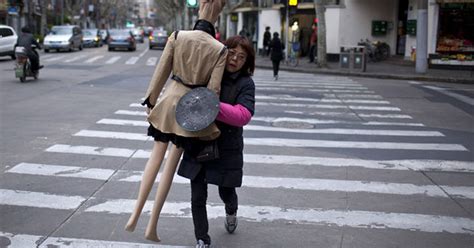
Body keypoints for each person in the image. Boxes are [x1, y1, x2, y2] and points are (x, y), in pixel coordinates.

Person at [125, 0, 228, 242]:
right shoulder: (220, 49)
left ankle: (134, 215)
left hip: (169, 99)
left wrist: (150, 101)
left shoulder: (178, 35)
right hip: (190, 109)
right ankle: (152, 226)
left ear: (199, 10)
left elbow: (160, 72)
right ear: (218, 16)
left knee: (154, 157)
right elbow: (213, 91)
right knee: (170, 166)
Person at [178, 35, 256, 248]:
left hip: (226, 146)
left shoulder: (245, 84)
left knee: (226, 191)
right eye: (231, 53)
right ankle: (202, 239)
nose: (234, 59)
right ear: (223, 52)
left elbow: (243, 115)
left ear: (246, 62)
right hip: (199, 141)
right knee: (197, 196)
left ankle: (231, 210)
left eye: (241, 57)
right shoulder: (208, 72)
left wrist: (212, 105)